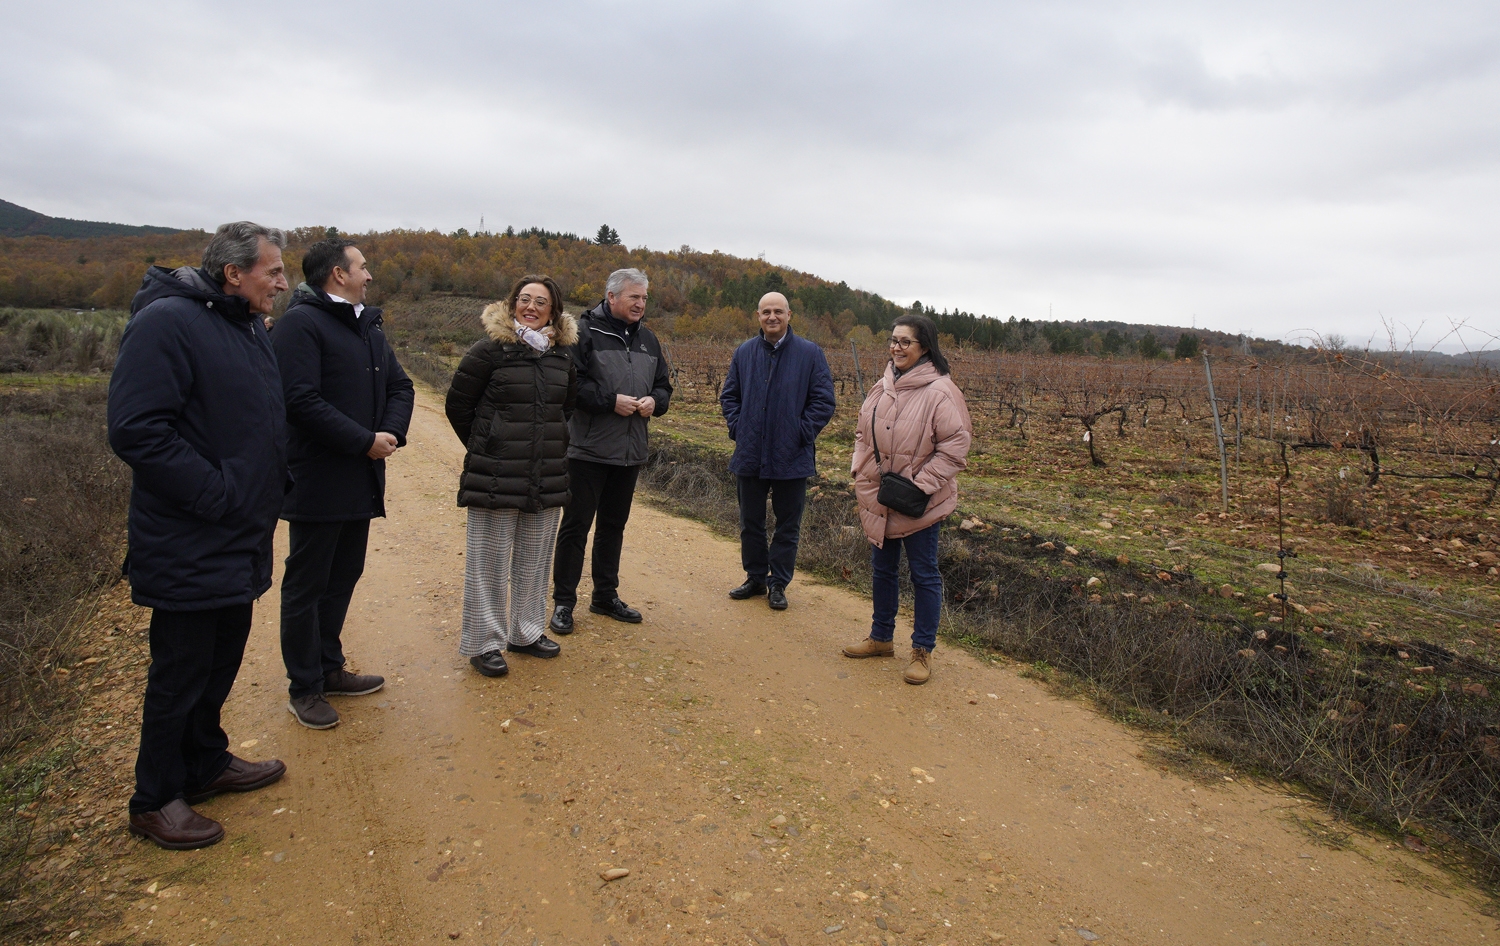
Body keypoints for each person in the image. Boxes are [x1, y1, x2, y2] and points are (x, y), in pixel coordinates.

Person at [108, 222, 291, 849]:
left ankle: (205, 762)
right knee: (180, 671)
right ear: (233, 273)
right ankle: (154, 799)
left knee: (220, 661)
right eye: (273, 271)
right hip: (190, 533)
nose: (283, 282)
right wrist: (218, 493)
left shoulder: (244, 327)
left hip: (237, 533)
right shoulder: (166, 323)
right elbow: (137, 430)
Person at [271, 239, 414, 729]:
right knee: (307, 585)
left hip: (360, 477)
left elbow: (401, 385)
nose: (368, 275)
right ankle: (304, 687)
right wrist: (363, 441)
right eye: (363, 267)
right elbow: (300, 402)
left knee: (343, 577)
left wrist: (389, 434)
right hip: (317, 479)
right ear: (338, 273)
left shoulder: (366, 327)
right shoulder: (300, 325)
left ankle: (329, 669)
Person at [445, 276, 578, 676]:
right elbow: (458, 406)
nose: (531, 307)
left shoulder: (561, 358)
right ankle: (484, 643)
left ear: (553, 311)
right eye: (524, 299)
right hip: (496, 473)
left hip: (546, 474)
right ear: (512, 304)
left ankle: (526, 632)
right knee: (489, 562)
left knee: (534, 560)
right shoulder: (489, 351)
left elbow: (564, 412)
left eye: (541, 302)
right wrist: (490, 444)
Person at [842, 314, 972, 685]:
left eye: (905, 342)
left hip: (921, 503)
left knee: (923, 574)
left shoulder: (941, 392)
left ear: (924, 348)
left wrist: (919, 486)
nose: (896, 348)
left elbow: (955, 448)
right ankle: (881, 638)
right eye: (893, 340)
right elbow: (861, 433)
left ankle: (922, 651)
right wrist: (859, 468)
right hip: (880, 497)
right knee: (882, 569)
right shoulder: (881, 387)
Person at [548, 268, 672, 633]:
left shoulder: (649, 339)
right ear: (612, 297)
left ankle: (604, 596)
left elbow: (665, 386)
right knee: (575, 526)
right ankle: (563, 603)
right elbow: (572, 384)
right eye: (634, 297)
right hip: (587, 449)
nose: (640, 304)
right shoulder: (583, 333)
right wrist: (609, 401)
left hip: (630, 450)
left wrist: (655, 401)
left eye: (644, 298)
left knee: (613, 527)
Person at [720, 291, 836, 609]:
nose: (772, 317)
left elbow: (824, 400)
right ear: (758, 316)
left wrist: (801, 433)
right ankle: (756, 578)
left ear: (789, 315)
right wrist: (739, 428)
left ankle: (778, 583)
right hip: (750, 453)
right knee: (751, 521)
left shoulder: (810, 353)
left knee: (788, 523)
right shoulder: (744, 353)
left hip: (792, 454)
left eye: (778, 312)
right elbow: (729, 396)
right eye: (766, 311)